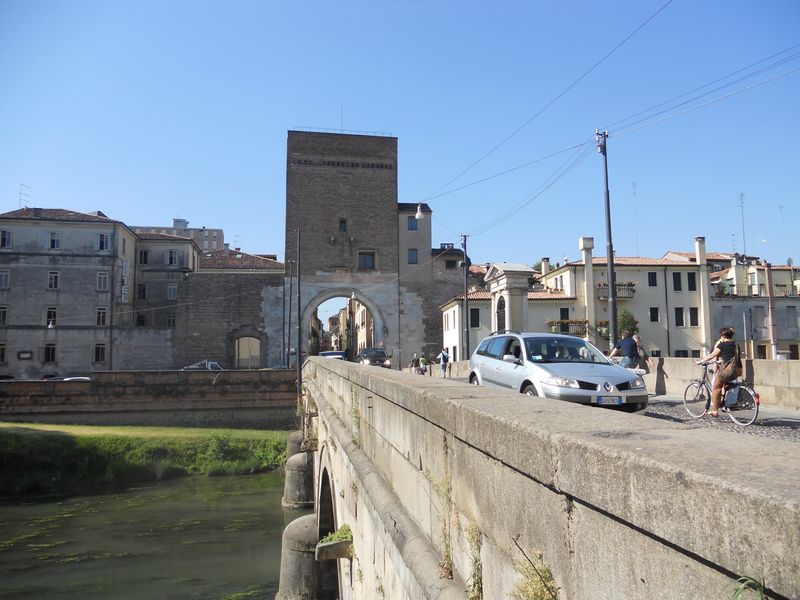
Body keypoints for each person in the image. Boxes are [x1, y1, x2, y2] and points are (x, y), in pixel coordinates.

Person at [697, 326, 742, 417]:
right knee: (727, 384)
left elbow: (712, 355)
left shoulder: (722, 344)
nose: (720, 338)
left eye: (721, 336)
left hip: (727, 371)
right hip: (737, 371)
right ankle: (726, 403)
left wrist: (700, 361)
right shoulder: (736, 345)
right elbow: (731, 357)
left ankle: (714, 411)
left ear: (724, 336)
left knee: (716, 387)